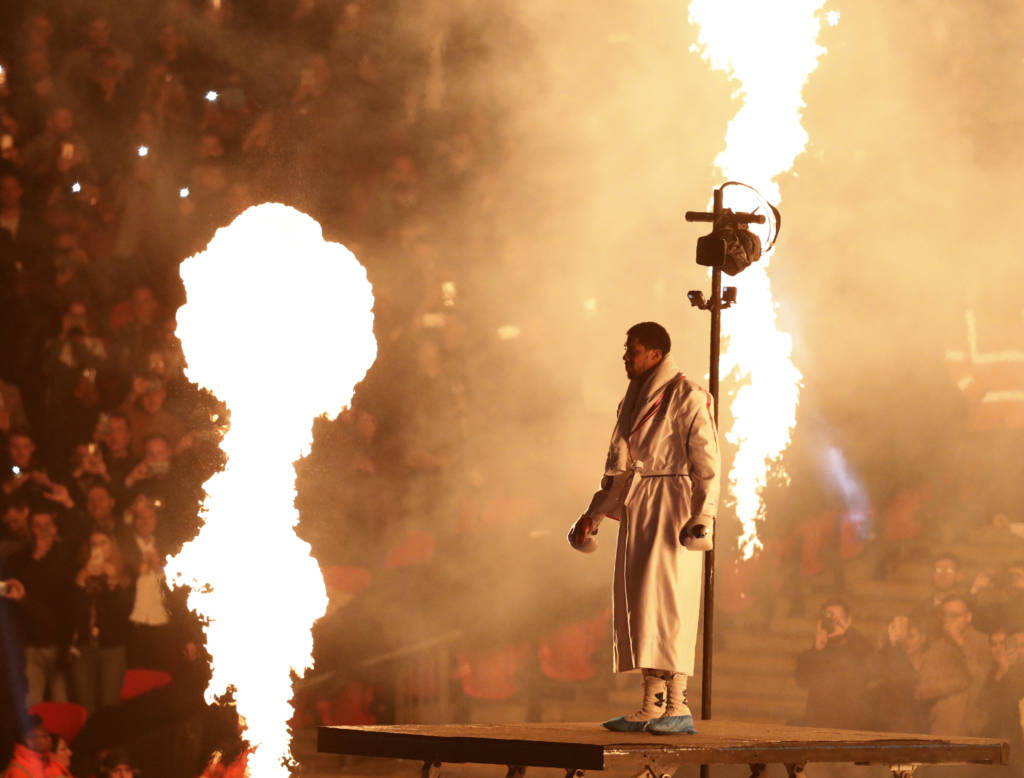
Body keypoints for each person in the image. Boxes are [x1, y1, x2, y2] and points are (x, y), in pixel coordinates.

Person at [568, 322, 719, 734]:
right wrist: (594, 514)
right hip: (640, 504)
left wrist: (703, 516)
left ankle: (678, 704)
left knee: (670, 601)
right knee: (642, 603)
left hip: (674, 503)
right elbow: (619, 471)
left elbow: (708, 462)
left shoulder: (689, 395)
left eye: (632, 350)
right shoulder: (630, 402)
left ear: (655, 353)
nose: (626, 357)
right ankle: (653, 704)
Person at [68, 530, 132, 712]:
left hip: (111, 649)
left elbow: (124, 612)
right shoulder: (79, 572)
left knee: (109, 706)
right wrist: (81, 580)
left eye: (103, 543)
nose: (98, 548)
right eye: (94, 544)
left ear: (112, 546)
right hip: (83, 648)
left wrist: (112, 580)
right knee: (85, 707)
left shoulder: (123, 574)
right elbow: (69, 611)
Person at [794, 598, 875, 730]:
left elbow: (875, 667)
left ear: (848, 621)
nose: (833, 624)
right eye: (829, 619)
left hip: (851, 725)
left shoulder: (860, 648)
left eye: (838, 620)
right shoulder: (814, 653)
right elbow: (801, 681)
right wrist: (817, 649)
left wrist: (849, 633)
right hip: (819, 724)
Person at [1, 714, 49, 778]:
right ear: (30, 741)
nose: (49, 739)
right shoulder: (19, 771)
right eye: (44, 735)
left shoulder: (47, 760)